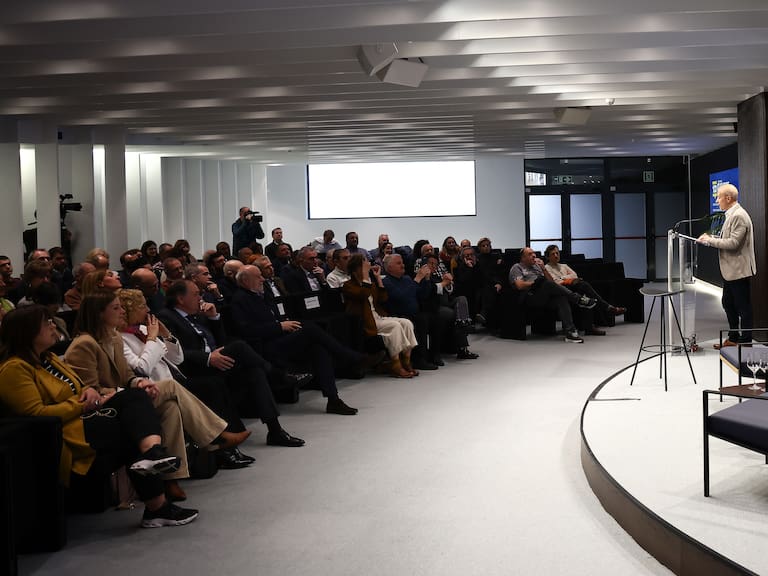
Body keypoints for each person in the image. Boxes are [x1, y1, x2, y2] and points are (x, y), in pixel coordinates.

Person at [0, 305, 199, 528]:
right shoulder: (13, 369)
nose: (53, 326)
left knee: (135, 396)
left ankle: (152, 456)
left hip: (84, 419)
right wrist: (81, 404)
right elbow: (35, 415)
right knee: (131, 427)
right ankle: (157, 502)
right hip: (63, 434)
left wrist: (90, 392)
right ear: (27, 331)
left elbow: (79, 386)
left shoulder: (48, 358)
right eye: (46, 323)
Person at [65, 291, 249, 500]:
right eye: (116, 308)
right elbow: (90, 390)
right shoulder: (86, 344)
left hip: (132, 395)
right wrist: (140, 375)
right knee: (172, 388)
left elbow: (131, 375)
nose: (121, 311)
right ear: (99, 313)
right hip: (108, 407)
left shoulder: (113, 337)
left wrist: (140, 382)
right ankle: (215, 437)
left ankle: (171, 481)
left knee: (171, 407)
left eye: (121, 307)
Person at [158, 280, 307, 446]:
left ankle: (275, 430)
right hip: (196, 367)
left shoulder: (198, 314)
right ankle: (277, 375)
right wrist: (207, 358)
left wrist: (214, 317)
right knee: (239, 346)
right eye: (196, 294)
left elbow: (220, 340)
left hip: (218, 361)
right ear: (180, 299)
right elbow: (174, 352)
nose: (200, 297)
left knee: (254, 371)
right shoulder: (166, 317)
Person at [117, 289, 252, 471]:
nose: (148, 309)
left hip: (172, 380)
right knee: (209, 387)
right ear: (129, 310)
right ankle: (218, 439)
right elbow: (142, 368)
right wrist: (152, 338)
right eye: (142, 306)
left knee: (212, 384)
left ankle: (214, 447)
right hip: (155, 386)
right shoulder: (121, 338)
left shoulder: (142, 329)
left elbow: (177, 358)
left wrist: (166, 335)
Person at [230, 266, 371, 415]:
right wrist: (280, 326)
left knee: (318, 348)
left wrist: (285, 325)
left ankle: (333, 400)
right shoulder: (239, 300)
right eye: (258, 276)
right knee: (310, 329)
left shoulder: (263, 295)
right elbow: (247, 331)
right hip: (265, 346)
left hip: (280, 338)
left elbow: (276, 317)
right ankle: (351, 357)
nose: (262, 279)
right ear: (245, 281)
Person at [697, 183, 756, 348]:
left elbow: (734, 243)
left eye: (719, 197)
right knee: (728, 303)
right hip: (731, 270)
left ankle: (745, 342)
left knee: (743, 307)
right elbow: (728, 238)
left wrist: (710, 240)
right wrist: (711, 237)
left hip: (738, 270)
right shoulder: (731, 214)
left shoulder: (739, 216)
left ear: (728, 198)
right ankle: (733, 338)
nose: (717, 200)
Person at [343, 255, 418, 378]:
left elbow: (383, 299)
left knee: (407, 323)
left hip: (378, 317)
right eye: (364, 265)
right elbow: (363, 294)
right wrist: (366, 276)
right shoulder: (348, 285)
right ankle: (396, 364)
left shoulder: (370, 283)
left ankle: (406, 361)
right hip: (367, 321)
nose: (367, 267)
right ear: (357, 268)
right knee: (395, 326)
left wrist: (378, 278)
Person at [509, 247, 597, 344]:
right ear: (523, 258)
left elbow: (552, 283)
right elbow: (519, 285)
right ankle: (578, 299)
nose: (534, 255)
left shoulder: (537, 267)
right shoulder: (517, 267)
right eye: (530, 254)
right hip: (530, 296)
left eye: (534, 253)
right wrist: (536, 283)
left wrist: (543, 269)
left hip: (545, 296)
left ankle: (570, 332)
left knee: (561, 297)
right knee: (545, 283)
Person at [543, 244, 626, 335]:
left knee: (586, 295)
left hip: (573, 289)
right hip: (562, 292)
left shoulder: (564, 266)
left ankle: (591, 326)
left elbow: (574, 275)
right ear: (548, 257)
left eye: (557, 253)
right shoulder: (547, 268)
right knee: (584, 287)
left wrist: (563, 278)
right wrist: (567, 279)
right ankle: (607, 309)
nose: (556, 255)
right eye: (553, 254)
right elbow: (555, 282)